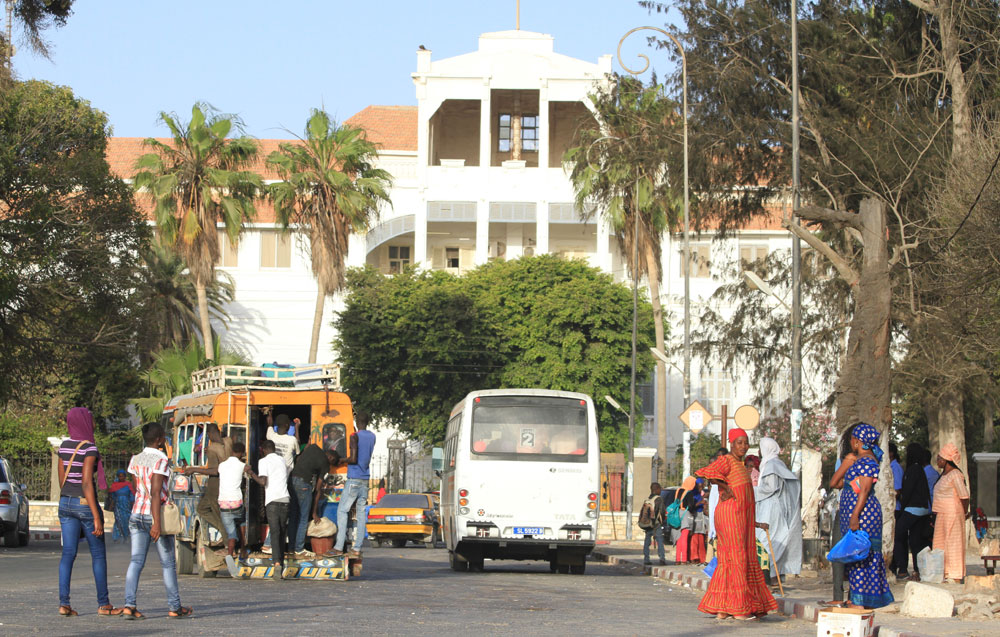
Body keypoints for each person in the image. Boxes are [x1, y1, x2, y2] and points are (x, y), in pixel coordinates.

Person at [695, 428, 777, 620]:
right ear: (732, 443)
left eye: (746, 442)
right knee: (737, 557)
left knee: (733, 559)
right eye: (739, 442)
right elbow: (708, 473)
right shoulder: (727, 460)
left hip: (741, 518)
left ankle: (723, 609)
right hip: (730, 515)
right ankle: (738, 609)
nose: (743, 446)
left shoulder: (741, 465)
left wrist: (754, 523)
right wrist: (724, 487)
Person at [122, 423, 191, 619]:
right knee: (168, 563)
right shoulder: (161, 460)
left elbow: (139, 488)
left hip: (136, 513)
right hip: (155, 516)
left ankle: (129, 605)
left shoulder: (135, 459)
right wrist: (157, 523)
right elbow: (155, 491)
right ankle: (174, 607)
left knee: (136, 561)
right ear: (160, 440)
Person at [56, 407, 119, 617]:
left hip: (65, 502)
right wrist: (95, 515)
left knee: (68, 555)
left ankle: (64, 604)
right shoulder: (89, 448)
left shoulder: (64, 447)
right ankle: (104, 604)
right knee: (98, 555)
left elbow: (61, 480)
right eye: (90, 419)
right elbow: (86, 482)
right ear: (84, 422)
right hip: (84, 504)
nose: (93, 423)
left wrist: (68, 500)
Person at [838, 423, 893, 609]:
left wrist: (855, 516)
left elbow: (865, 490)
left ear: (858, 441)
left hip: (864, 514)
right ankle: (855, 597)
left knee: (861, 555)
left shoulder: (868, 461)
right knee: (854, 556)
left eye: (853, 439)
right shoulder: (859, 460)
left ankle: (860, 600)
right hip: (857, 512)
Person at [327, 412, 376, 558]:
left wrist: (341, 460)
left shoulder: (353, 436)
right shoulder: (372, 436)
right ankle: (357, 548)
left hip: (354, 478)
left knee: (342, 511)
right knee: (361, 514)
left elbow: (353, 459)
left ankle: (338, 547)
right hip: (365, 479)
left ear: (355, 420)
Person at [754, 437, 802, 579]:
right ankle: (771, 577)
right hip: (768, 505)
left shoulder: (772, 465)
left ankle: (769, 577)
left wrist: (752, 490)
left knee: (767, 541)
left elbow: (771, 487)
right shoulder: (771, 463)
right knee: (769, 541)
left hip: (771, 507)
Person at [245, 440, 291, 579]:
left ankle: (277, 564)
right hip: (285, 499)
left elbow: (263, 482)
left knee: (275, 532)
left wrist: (251, 473)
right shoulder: (282, 460)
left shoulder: (263, 461)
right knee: (281, 533)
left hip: (272, 501)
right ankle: (280, 563)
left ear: (263, 450)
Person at [825, 424, 858, 605]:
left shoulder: (869, 459)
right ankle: (837, 596)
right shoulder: (844, 459)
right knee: (837, 550)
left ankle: (854, 597)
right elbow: (836, 483)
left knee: (856, 554)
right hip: (843, 507)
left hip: (861, 510)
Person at [289, 442, 339, 557]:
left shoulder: (313, 447)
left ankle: (291, 547)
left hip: (292, 480)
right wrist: (314, 512)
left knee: (293, 517)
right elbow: (318, 488)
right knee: (303, 518)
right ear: (331, 458)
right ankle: (299, 548)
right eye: (332, 463)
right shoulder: (325, 464)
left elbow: (298, 459)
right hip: (304, 484)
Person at [184, 423, 228, 548]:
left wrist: (194, 469)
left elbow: (215, 470)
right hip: (226, 484)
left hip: (215, 486)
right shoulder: (227, 441)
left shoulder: (212, 448)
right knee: (203, 509)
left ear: (209, 435)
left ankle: (227, 542)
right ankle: (225, 535)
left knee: (217, 514)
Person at [893, 443, 932, 579]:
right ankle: (917, 570)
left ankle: (902, 568)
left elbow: (907, 492)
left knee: (897, 534)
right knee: (915, 541)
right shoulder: (920, 469)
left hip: (912, 509)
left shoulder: (912, 470)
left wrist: (902, 507)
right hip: (923, 509)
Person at [932, 443, 970, 583]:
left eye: (939, 458)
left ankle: (955, 574)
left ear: (946, 459)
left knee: (953, 544)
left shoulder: (955, 474)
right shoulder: (944, 475)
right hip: (942, 513)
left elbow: (964, 496)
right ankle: (944, 572)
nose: (937, 461)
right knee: (941, 544)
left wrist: (964, 513)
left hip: (953, 513)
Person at [217, 442, 247, 560]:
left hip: (224, 504)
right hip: (236, 503)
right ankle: (243, 549)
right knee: (243, 522)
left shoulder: (222, 465)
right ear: (242, 453)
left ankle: (230, 554)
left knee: (231, 533)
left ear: (231, 451)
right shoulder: (242, 465)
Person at [680, 481, 708, 565]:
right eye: (699, 487)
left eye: (702, 487)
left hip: (701, 517)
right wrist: (700, 503)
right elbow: (691, 506)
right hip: (694, 517)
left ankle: (702, 558)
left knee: (701, 539)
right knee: (694, 539)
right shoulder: (691, 494)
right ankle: (693, 557)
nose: (700, 489)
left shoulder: (701, 495)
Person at [887, 442, 905, 575]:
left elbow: (898, 489)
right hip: (890, 507)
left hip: (895, 508)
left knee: (897, 539)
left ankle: (900, 566)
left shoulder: (895, 468)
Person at [641, 482, 666, 566]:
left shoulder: (647, 499)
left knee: (647, 542)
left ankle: (646, 559)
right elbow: (662, 511)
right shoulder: (659, 499)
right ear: (657, 489)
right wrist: (662, 520)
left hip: (648, 525)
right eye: (660, 489)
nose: (661, 491)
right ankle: (662, 558)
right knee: (659, 541)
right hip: (656, 524)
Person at [109, 469, 135, 542]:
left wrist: (132, 504)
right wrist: (112, 504)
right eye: (120, 476)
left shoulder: (128, 485)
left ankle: (126, 535)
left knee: (127, 519)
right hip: (118, 505)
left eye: (123, 476)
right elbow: (112, 496)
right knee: (118, 519)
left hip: (126, 505)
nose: (121, 478)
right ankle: (117, 536)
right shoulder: (114, 485)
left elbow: (132, 495)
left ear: (125, 477)